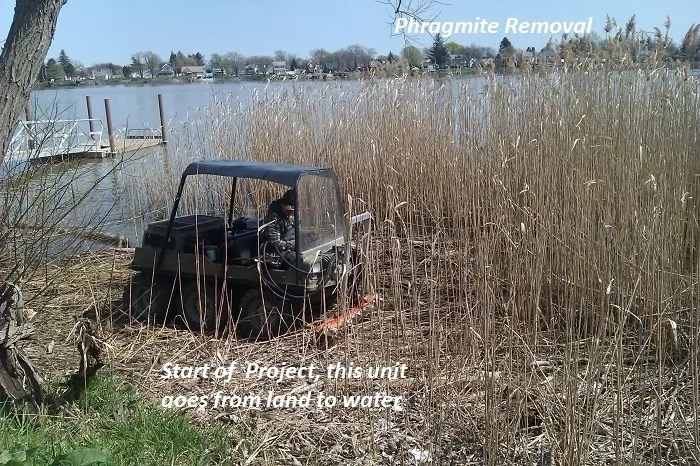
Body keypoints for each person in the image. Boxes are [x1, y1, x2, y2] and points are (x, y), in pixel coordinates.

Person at [262, 188, 298, 267]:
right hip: (273, 252)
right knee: (295, 258)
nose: (292, 211)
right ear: (283, 205)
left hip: (287, 245)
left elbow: (294, 229)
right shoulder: (273, 218)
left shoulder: (289, 215)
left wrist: (307, 235)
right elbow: (275, 243)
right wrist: (294, 245)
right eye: (290, 208)